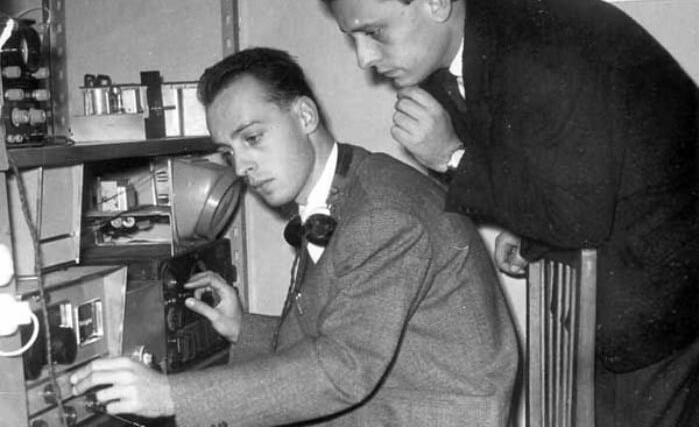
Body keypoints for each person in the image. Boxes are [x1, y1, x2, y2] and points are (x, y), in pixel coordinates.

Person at [306, 0, 699, 425]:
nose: (364, 58)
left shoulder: (539, 47)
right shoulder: (471, 33)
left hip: (663, 277)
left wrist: (451, 157)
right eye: (353, 38)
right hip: (628, 267)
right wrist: (523, 220)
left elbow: (579, 219)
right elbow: (547, 157)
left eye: (373, 32)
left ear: (434, 1)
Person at [71, 47, 519, 426]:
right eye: (228, 152)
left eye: (252, 138)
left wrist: (168, 396)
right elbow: (351, 330)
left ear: (304, 115)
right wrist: (244, 328)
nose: (241, 167)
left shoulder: (383, 215)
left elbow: (342, 369)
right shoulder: (350, 186)